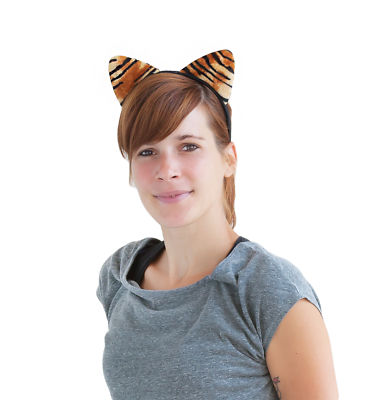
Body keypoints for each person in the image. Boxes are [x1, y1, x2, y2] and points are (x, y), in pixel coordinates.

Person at [96, 50, 339, 399]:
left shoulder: (269, 290)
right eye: (147, 152)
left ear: (228, 159)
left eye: (188, 146)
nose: (167, 170)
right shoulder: (121, 277)